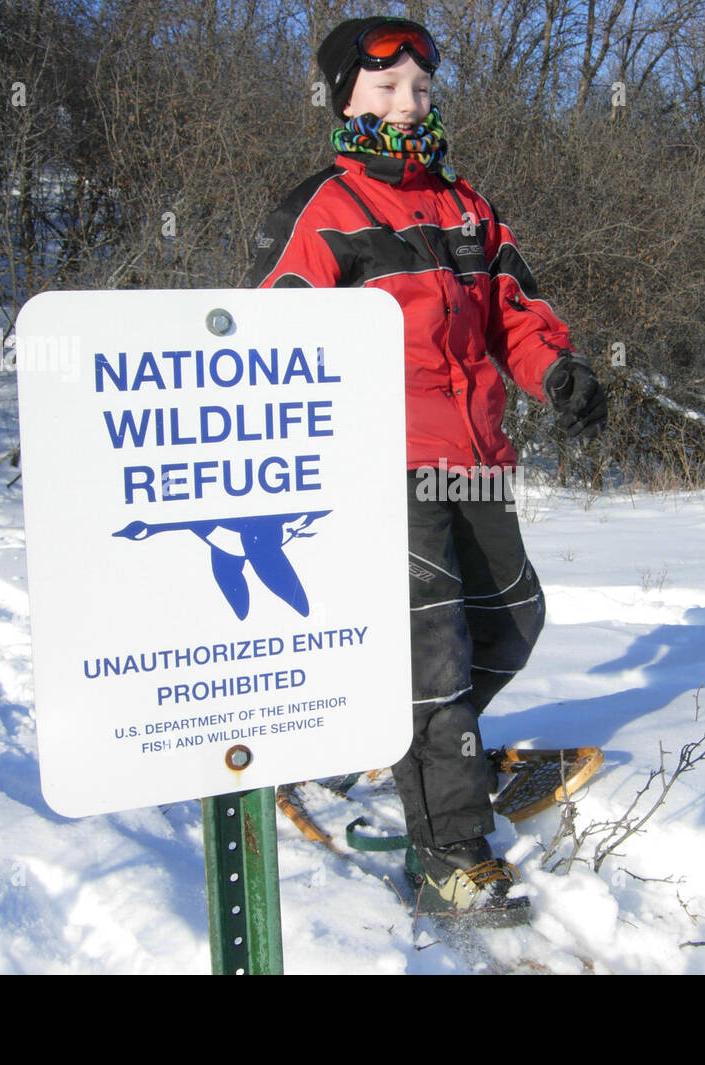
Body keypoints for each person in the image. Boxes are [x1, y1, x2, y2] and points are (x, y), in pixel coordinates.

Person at [249, 15, 606, 923]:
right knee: (433, 655)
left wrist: (554, 369)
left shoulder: (467, 206)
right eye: (386, 88)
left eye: (420, 88)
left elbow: (513, 310)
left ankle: (391, 742)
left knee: (513, 619)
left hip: (475, 456)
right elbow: (267, 346)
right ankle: (450, 848)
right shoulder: (319, 212)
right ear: (346, 98)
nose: (409, 104)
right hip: (383, 472)